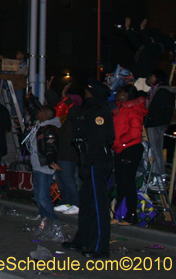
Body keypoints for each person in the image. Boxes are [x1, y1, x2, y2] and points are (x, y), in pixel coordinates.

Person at [63, 78, 115, 259]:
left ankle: (100, 247)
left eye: (87, 91)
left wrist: (89, 162)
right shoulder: (89, 110)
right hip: (87, 160)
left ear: (93, 93)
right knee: (86, 203)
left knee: (98, 205)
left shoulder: (100, 113)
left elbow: (99, 140)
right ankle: (83, 240)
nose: (85, 94)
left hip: (96, 160)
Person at [111, 85, 147, 225]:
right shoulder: (120, 110)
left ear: (125, 95)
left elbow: (135, 133)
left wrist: (120, 141)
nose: (116, 93)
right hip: (121, 148)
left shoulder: (133, 110)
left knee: (128, 182)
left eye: (119, 91)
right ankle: (119, 215)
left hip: (130, 148)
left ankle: (131, 216)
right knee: (120, 182)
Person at [27, 106, 61, 220]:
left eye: (40, 111)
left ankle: (51, 219)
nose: (38, 113)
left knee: (42, 196)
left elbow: (50, 147)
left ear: (45, 115)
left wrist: (50, 161)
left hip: (44, 166)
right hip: (38, 165)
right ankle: (44, 216)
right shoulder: (40, 127)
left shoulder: (48, 129)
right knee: (38, 195)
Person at [53, 89, 82, 215]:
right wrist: (49, 90)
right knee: (61, 179)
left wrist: (67, 100)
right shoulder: (62, 118)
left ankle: (77, 203)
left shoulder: (74, 116)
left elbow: (74, 111)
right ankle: (66, 202)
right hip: (60, 153)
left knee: (68, 178)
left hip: (69, 153)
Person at [143, 68, 175, 177]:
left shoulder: (163, 91)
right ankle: (157, 172)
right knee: (155, 148)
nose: (150, 78)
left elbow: (166, 109)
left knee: (156, 149)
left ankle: (159, 174)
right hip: (155, 122)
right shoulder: (155, 90)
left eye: (152, 76)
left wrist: (158, 119)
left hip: (157, 124)